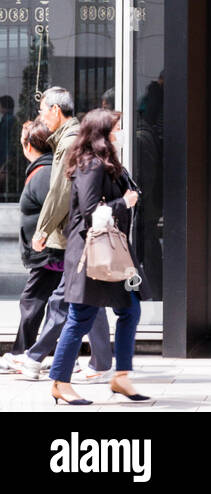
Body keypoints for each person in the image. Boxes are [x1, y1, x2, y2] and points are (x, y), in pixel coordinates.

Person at [48, 109, 147, 405]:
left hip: (110, 253)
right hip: (92, 255)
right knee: (80, 318)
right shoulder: (90, 165)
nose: (119, 132)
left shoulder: (106, 163)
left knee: (130, 310)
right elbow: (91, 212)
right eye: (115, 128)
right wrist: (123, 203)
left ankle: (122, 377)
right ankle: (59, 382)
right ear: (102, 133)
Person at [16, 87, 111, 381]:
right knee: (87, 296)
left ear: (56, 111)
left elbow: (60, 190)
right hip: (79, 230)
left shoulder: (68, 140)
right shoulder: (70, 138)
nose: (42, 117)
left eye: (43, 111)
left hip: (76, 232)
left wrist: (43, 230)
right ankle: (102, 362)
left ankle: (35, 357)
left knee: (65, 297)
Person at [0, 122, 63, 367]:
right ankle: (27, 351)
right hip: (48, 252)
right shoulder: (44, 170)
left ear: (28, 146)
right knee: (38, 302)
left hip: (49, 253)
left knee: (34, 300)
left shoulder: (44, 173)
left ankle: (26, 352)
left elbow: (57, 209)